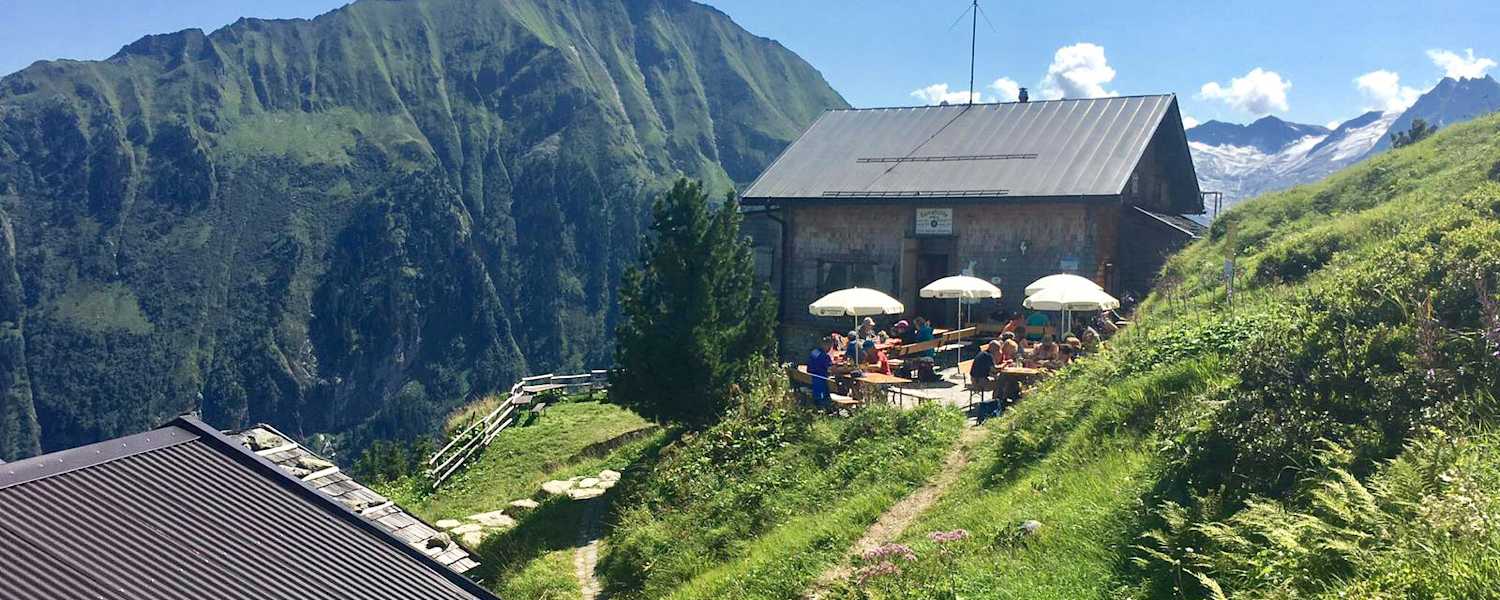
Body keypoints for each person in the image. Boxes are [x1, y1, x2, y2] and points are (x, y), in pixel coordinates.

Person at [808, 336, 835, 410]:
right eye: (829, 346)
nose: (829, 349)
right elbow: (831, 369)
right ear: (825, 345)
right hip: (821, 381)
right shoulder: (824, 356)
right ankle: (828, 407)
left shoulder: (813, 352)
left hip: (813, 379)